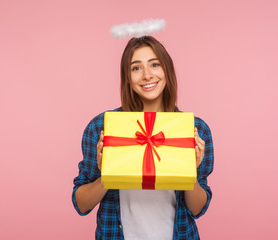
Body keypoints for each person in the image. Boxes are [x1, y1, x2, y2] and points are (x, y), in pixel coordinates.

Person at [72, 36, 214, 240]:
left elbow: (197, 209)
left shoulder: (195, 130)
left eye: (155, 64)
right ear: (127, 77)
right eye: (136, 68)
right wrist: (107, 175)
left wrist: (189, 173)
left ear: (167, 70)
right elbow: (81, 204)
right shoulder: (102, 127)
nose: (147, 75)